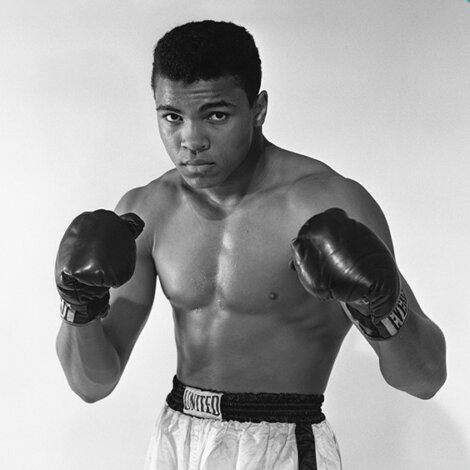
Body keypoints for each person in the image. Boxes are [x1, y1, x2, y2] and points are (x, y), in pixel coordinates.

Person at [55, 20, 447, 470]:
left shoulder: (327, 202)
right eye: (172, 117)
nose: (191, 141)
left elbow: (426, 378)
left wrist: (382, 306)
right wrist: (78, 310)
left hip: (283, 446)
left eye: (216, 115)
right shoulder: (148, 210)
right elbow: (92, 385)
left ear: (258, 109)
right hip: (178, 439)